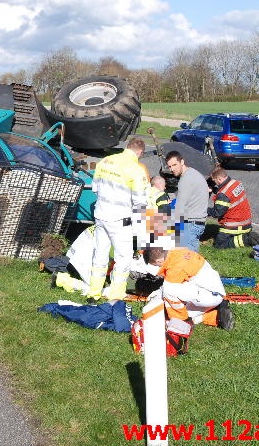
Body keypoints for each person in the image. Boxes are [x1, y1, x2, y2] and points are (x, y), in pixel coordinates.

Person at [89, 137, 149, 301]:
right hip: (120, 219)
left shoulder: (106, 161)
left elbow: (95, 188)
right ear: (140, 152)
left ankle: (94, 292)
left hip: (101, 215)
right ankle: (115, 295)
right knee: (123, 257)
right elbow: (140, 202)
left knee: (100, 254)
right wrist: (140, 231)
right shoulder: (135, 169)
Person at [144, 246, 234, 330]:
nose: (158, 267)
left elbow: (167, 289)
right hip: (213, 289)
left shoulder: (175, 268)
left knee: (169, 293)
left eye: (156, 265)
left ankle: (180, 322)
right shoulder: (177, 251)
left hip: (209, 294)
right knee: (186, 311)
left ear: (159, 261)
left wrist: (154, 299)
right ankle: (218, 315)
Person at [207, 167, 259, 248]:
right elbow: (230, 196)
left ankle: (246, 239)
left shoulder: (223, 195)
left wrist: (205, 210)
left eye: (214, 181)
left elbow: (217, 213)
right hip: (246, 222)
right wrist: (215, 190)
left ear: (219, 179)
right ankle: (246, 235)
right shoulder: (235, 183)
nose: (214, 183)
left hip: (234, 225)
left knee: (218, 246)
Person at [165, 151, 209, 252]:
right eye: (169, 166)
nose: (172, 169)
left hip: (191, 224)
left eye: (174, 165)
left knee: (187, 258)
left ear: (182, 161)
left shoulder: (185, 180)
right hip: (197, 221)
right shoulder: (192, 173)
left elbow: (179, 209)